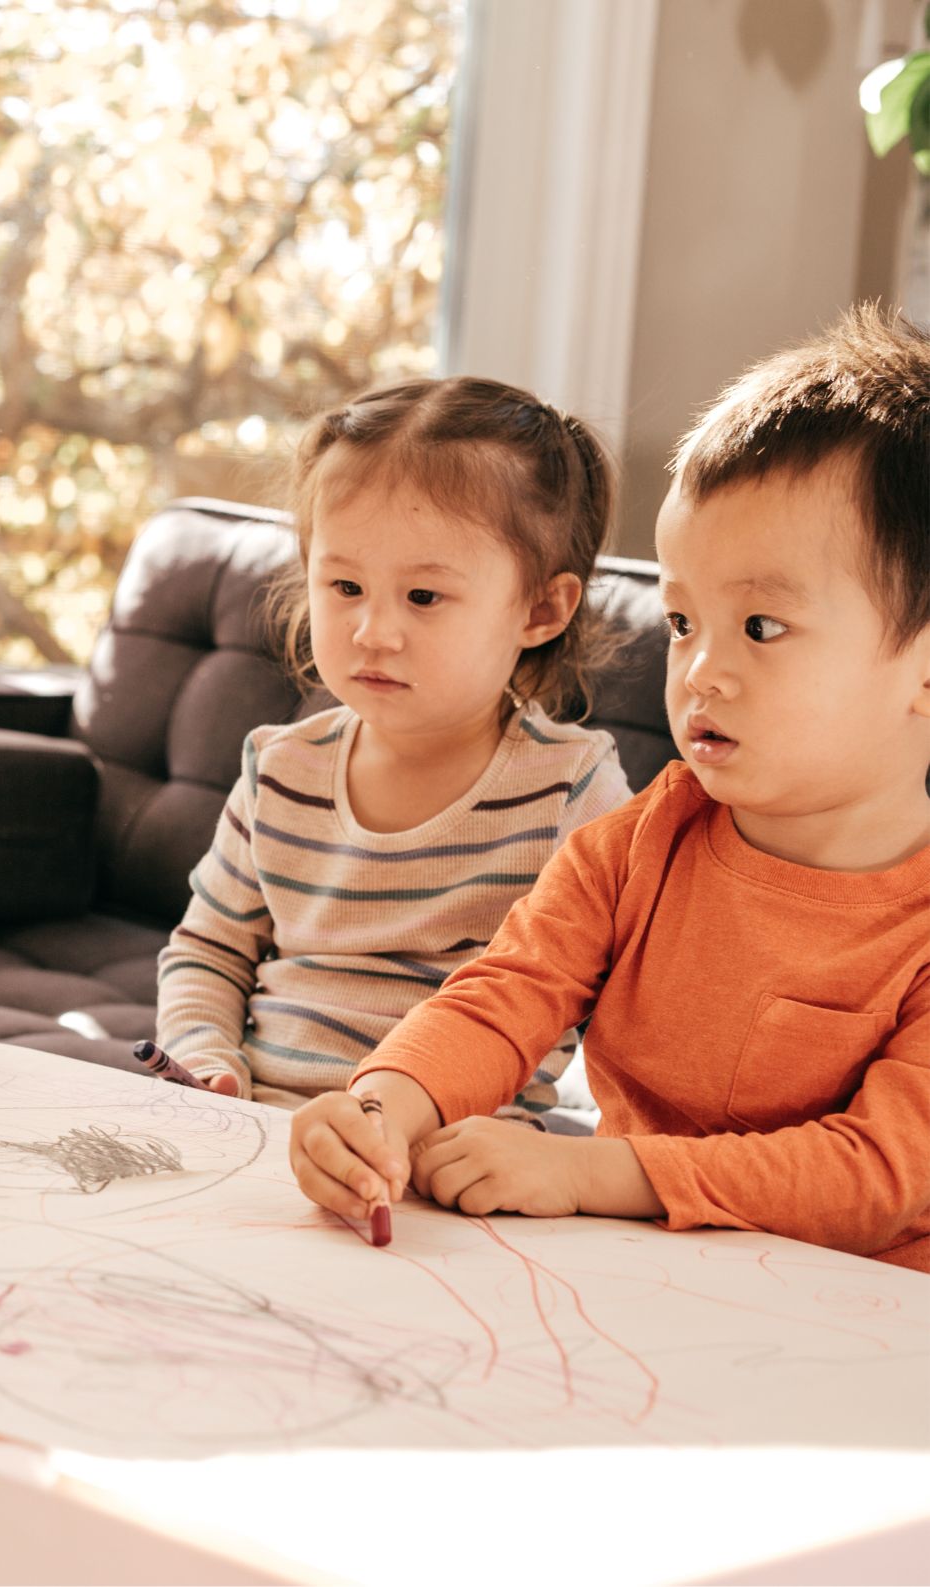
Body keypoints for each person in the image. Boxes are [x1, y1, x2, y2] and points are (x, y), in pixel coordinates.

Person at [289, 306, 930, 1273]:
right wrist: (381, 1106)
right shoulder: (640, 843)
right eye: (681, 621)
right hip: (641, 1274)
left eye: (760, 626)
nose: (700, 671)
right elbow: (501, 997)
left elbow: (874, 1178)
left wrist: (596, 1172)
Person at [154, 376, 630, 1123]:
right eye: (343, 585)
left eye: (422, 597)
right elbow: (207, 952)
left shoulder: (569, 787)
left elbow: (621, 999)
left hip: (450, 1146)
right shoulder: (279, 768)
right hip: (260, 1122)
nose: (372, 630)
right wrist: (205, 1059)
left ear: (540, 609)